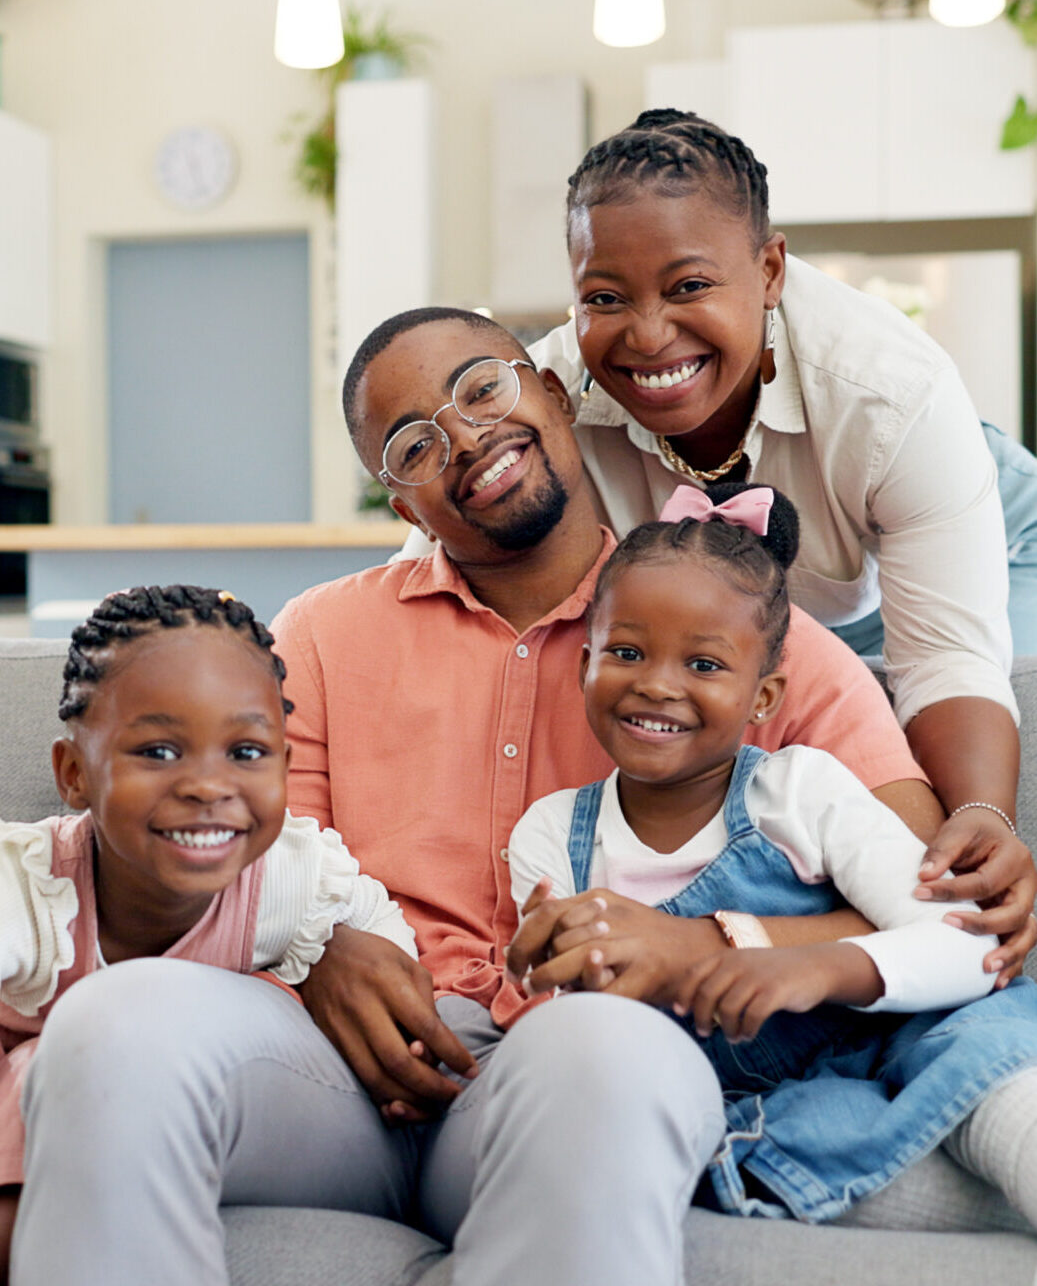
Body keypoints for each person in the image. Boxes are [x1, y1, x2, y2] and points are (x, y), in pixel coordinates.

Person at [16, 312, 1033, 1285]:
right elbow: (267, 851)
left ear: (550, 392)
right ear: (400, 505)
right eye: (413, 444)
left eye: (481, 388)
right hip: (330, 1086)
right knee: (117, 1022)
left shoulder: (736, 625)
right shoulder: (317, 637)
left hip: (568, 1062)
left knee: (598, 1044)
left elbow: (921, 887)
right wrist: (316, 946)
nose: (463, 437)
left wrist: (713, 945)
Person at [521, 107, 1037, 913]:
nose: (648, 335)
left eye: (689, 286)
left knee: (1005, 730)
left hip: (991, 542)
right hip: (760, 613)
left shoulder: (892, 392)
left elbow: (944, 656)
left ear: (768, 270)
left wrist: (981, 817)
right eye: (605, 297)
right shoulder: (550, 398)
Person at [506, 482, 1037, 1233]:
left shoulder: (800, 790)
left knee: (983, 1052)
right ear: (583, 664)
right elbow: (579, 1025)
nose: (657, 684)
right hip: (750, 1104)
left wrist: (814, 965)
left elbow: (970, 946)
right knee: (782, 1146)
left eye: (704, 665)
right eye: (626, 652)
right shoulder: (550, 835)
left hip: (900, 1040)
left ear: (764, 698)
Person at [6, 586, 415, 1286]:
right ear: (74, 775)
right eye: (159, 750)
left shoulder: (294, 878)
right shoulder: (24, 892)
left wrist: (314, 982)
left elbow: (389, 963)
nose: (206, 785)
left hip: (199, 1115)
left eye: (246, 751)